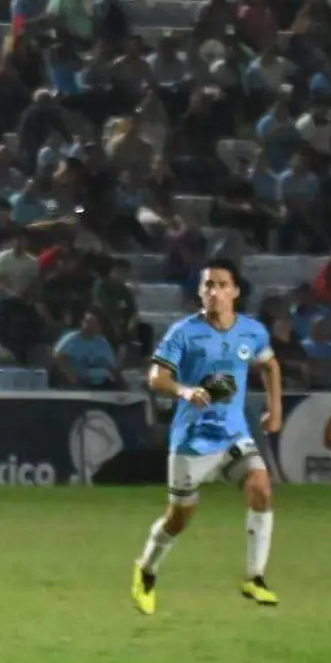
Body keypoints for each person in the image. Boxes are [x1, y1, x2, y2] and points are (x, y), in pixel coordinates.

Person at [132, 258, 284, 615]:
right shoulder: (184, 332)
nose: (213, 291)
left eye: (220, 285)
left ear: (235, 291)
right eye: (207, 286)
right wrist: (184, 391)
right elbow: (156, 377)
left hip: (233, 436)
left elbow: (271, 365)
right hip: (192, 441)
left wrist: (275, 411)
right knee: (179, 517)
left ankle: (254, 577)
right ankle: (147, 569)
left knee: (261, 487)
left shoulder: (252, 331)